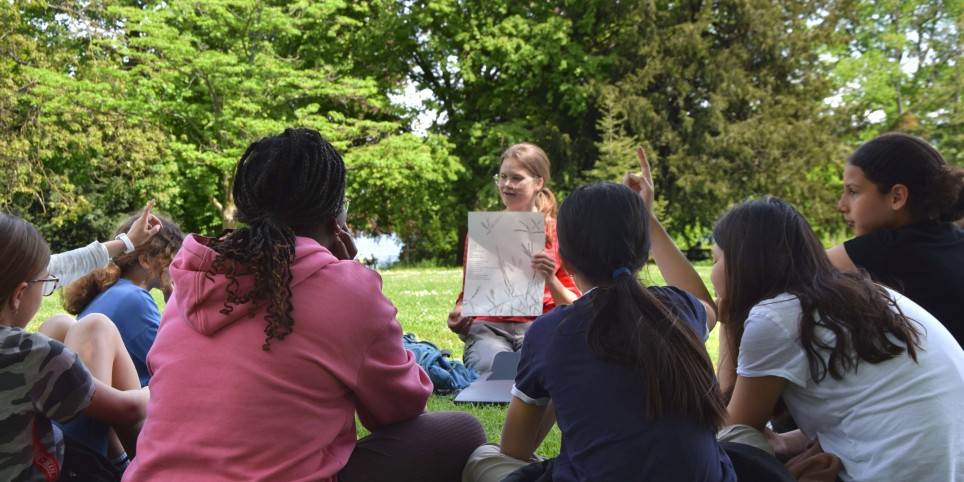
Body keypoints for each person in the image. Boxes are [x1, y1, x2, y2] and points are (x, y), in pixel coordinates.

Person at [125, 128, 485, 482]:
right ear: (335, 218)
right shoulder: (348, 290)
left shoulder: (192, 281)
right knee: (462, 430)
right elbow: (397, 409)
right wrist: (351, 280)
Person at [464, 149, 735, 482]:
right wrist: (647, 218)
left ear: (566, 258)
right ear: (644, 249)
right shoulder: (680, 308)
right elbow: (703, 302)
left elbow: (516, 447)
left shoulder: (552, 332)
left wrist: (554, 382)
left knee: (485, 459)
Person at [715, 197, 964, 482]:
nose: (712, 271)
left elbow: (734, 432)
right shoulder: (871, 294)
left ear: (739, 262)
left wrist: (729, 320)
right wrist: (786, 442)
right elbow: (871, 408)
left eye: (715, 258)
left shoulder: (777, 316)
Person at [0, 213, 148, 481]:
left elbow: (58, 265)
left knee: (60, 323)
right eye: (46, 283)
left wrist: (126, 242)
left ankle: (123, 462)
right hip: (56, 469)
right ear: (19, 294)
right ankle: (150, 469)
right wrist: (158, 388)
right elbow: (129, 410)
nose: (51, 283)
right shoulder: (31, 355)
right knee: (97, 327)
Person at [448, 143, 581, 373]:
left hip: (540, 326)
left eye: (517, 178)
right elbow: (467, 295)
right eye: (503, 177)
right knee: (490, 367)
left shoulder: (558, 232)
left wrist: (550, 279)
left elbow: (576, 304)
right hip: (488, 328)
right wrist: (460, 312)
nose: (507, 185)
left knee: (536, 368)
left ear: (538, 182)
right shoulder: (482, 232)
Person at [826, 133, 964, 345]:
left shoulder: (884, 248)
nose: (841, 205)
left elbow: (791, 272)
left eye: (853, 192)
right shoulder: (953, 237)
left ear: (897, 197)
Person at [57, 213, 183, 386]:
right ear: (146, 260)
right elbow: (177, 361)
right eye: (174, 260)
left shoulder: (112, 289)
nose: (179, 268)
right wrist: (176, 304)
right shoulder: (135, 299)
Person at [48, 200, 163, 288]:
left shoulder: (115, 288)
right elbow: (54, 269)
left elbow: (55, 267)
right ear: (145, 260)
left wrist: (128, 241)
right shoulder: (136, 296)